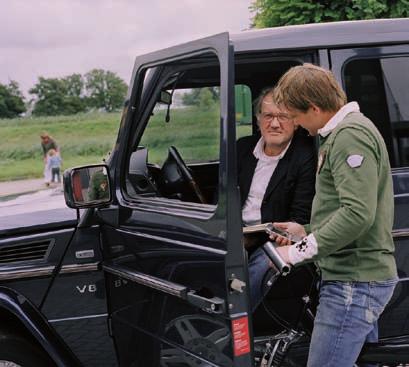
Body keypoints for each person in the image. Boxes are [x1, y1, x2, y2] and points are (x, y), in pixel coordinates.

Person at [269, 64, 398, 367]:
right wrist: (305, 230)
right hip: (353, 277)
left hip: (353, 280)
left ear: (313, 107)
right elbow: (348, 208)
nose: (297, 125)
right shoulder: (343, 133)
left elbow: (357, 214)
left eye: (296, 116)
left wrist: (297, 252)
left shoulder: (349, 136)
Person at [238, 87, 316, 311]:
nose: (274, 124)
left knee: (264, 263)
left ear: (297, 121)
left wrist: (263, 237)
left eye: (283, 116)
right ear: (257, 118)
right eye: (268, 115)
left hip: (273, 239)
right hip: (237, 234)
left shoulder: (305, 155)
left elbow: (300, 216)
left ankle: (234, 327)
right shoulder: (241, 148)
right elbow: (223, 198)